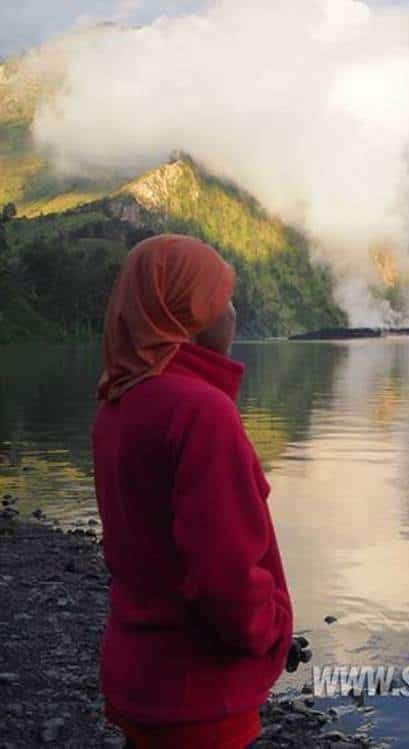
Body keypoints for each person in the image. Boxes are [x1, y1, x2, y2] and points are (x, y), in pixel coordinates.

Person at [91, 234, 305, 748]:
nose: (232, 312)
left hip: (138, 675)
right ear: (189, 314)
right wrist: (270, 630)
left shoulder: (117, 403)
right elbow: (223, 573)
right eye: (222, 298)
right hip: (199, 696)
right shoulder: (201, 412)